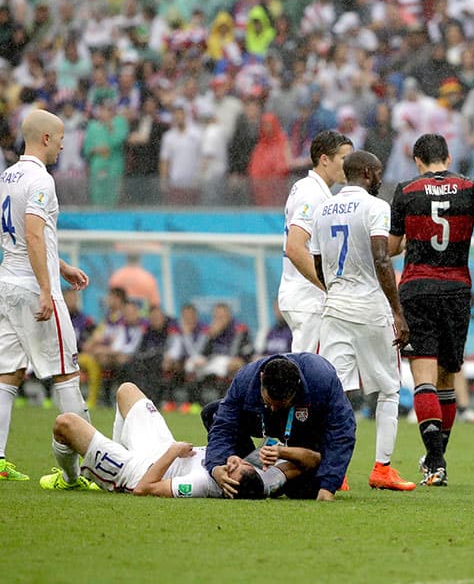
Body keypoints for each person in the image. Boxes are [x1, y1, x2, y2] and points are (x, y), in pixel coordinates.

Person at [389, 133, 474, 487]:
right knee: (446, 379)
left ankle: (436, 461)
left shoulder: (407, 190)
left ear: (417, 161)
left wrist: (416, 235)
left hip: (417, 288)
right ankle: (436, 459)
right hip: (457, 290)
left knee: (423, 379)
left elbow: (394, 247)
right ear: (448, 156)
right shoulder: (470, 186)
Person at [310, 150, 415, 492]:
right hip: (370, 308)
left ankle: (335, 473)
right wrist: (397, 312)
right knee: (388, 388)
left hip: (335, 308)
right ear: (369, 172)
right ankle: (382, 469)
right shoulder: (375, 207)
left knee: (334, 391)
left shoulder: (324, 207)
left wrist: (335, 290)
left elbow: (317, 259)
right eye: (380, 171)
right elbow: (382, 258)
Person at [0, 109, 91, 483]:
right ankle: (86, 470)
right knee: (67, 373)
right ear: (46, 139)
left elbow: (21, 236)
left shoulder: (7, 176)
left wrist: (62, 266)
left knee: (8, 375)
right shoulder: (41, 179)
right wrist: (44, 286)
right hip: (33, 289)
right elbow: (35, 233)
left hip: (7, 284)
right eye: (61, 137)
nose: (64, 144)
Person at [41, 382, 319, 498]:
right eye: (242, 464)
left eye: (233, 468)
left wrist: (173, 452)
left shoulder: (203, 484)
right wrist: (285, 453)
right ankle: (106, 457)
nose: (234, 460)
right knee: (126, 390)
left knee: (65, 424)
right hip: (158, 445)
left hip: (134, 470)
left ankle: (71, 478)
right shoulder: (261, 481)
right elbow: (311, 460)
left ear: (230, 486)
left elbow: (144, 488)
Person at [203, 353, 357, 501]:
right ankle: (251, 470)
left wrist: (328, 486)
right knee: (213, 412)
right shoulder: (245, 379)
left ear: (296, 388)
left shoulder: (321, 379)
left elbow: (342, 431)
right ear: (261, 379)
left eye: (281, 404)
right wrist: (216, 465)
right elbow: (224, 426)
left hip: (306, 428)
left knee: (302, 491)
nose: (274, 409)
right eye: (269, 402)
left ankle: (309, 477)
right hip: (262, 422)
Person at [279, 130, 353, 352]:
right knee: (310, 374)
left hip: (304, 297)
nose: (349, 165)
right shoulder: (312, 195)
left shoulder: (310, 189)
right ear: (324, 159)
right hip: (308, 299)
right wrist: (328, 286)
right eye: (343, 159)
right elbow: (295, 247)